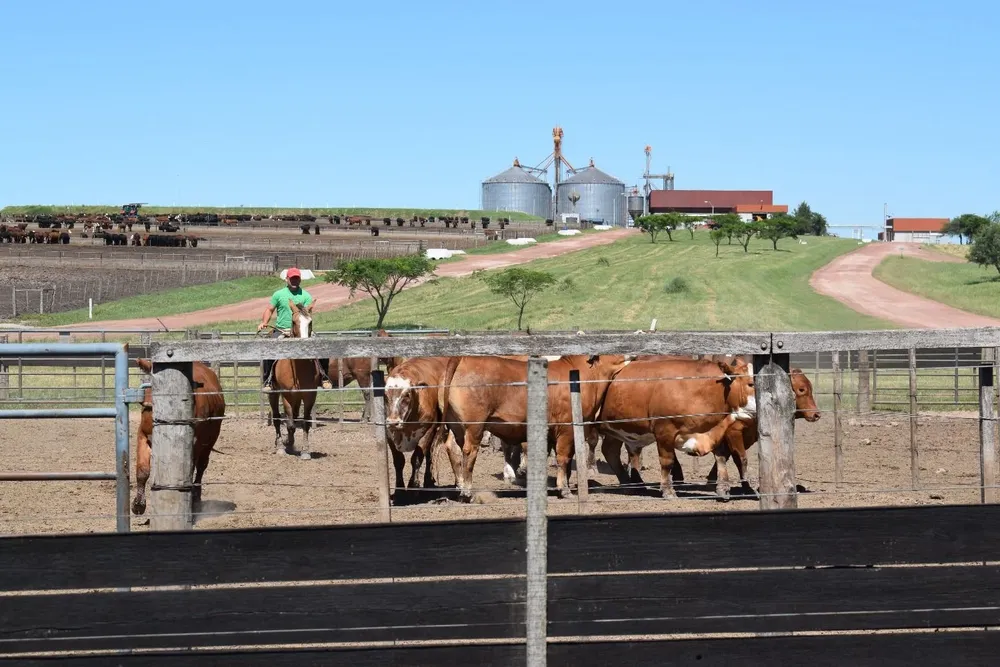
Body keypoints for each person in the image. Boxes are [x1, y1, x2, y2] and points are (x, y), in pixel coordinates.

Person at [258, 267, 333, 390]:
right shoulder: (279, 294)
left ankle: (324, 377)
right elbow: (269, 309)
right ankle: (268, 381)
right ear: (287, 279)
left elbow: (307, 315)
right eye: (292, 278)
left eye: (297, 279)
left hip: (303, 331)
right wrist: (264, 322)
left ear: (300, 280)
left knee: (322, 347)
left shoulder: (306, 296)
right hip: (283, 330)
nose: (294, 281)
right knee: (268, 349)